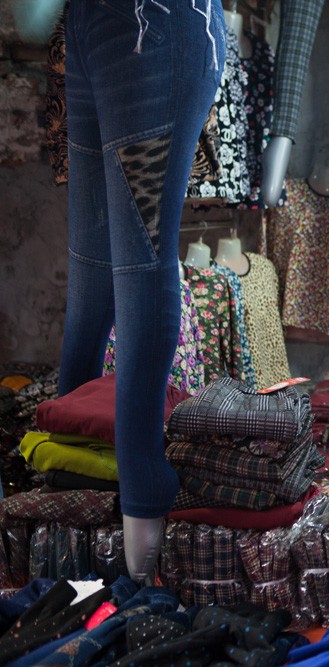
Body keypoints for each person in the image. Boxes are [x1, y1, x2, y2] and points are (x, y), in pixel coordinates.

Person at [53, 0, 225, 583]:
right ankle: (68, 464)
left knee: (138, 264)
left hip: (156, 24)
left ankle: (142, 490)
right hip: (89, 23)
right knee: (91, 272)